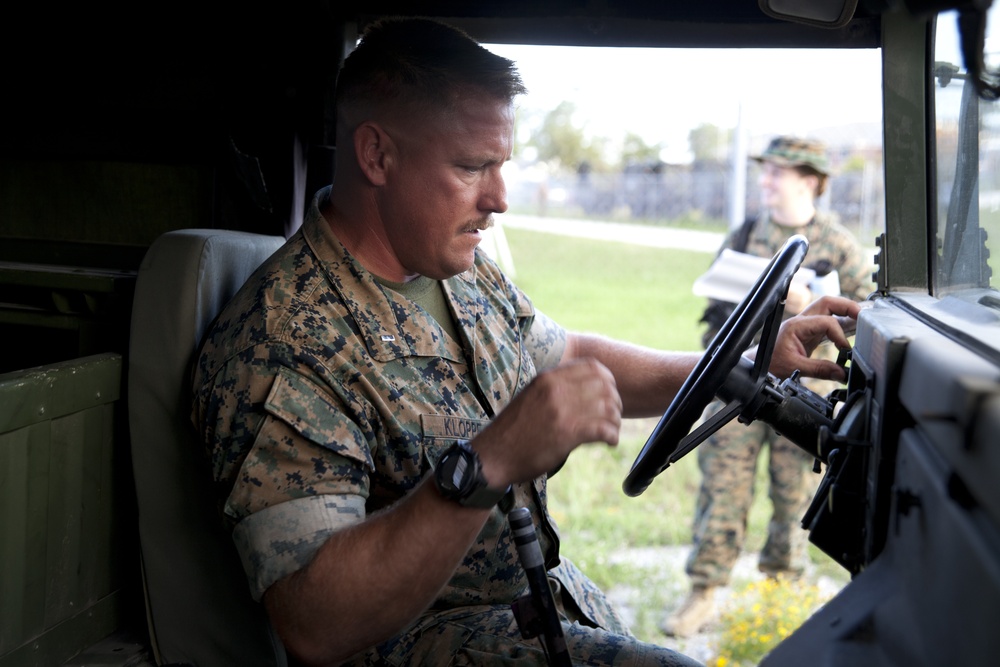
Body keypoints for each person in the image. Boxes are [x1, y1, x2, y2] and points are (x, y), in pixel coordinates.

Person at [191, 21, 861, 667]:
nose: (502, 197)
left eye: (502, 165)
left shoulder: (455, 267)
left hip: (542, 604)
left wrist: (743, 366)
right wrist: (488, 463)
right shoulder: (285, 337)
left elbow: (565, 356)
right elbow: (316, 622)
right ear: (377, 155)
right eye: (471, 166)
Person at [660, 136, 873, 638]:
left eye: (778, 172)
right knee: (722, 488)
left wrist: (810, 302)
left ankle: (781, 591)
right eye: (765, 171)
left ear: (809, 180)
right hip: (738, 384)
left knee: (794, 493)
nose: (766, 180)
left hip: (803, 393)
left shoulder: (838, 244)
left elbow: (868, 313)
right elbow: (713, 302)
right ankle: (706, 590)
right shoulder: (746, 232)